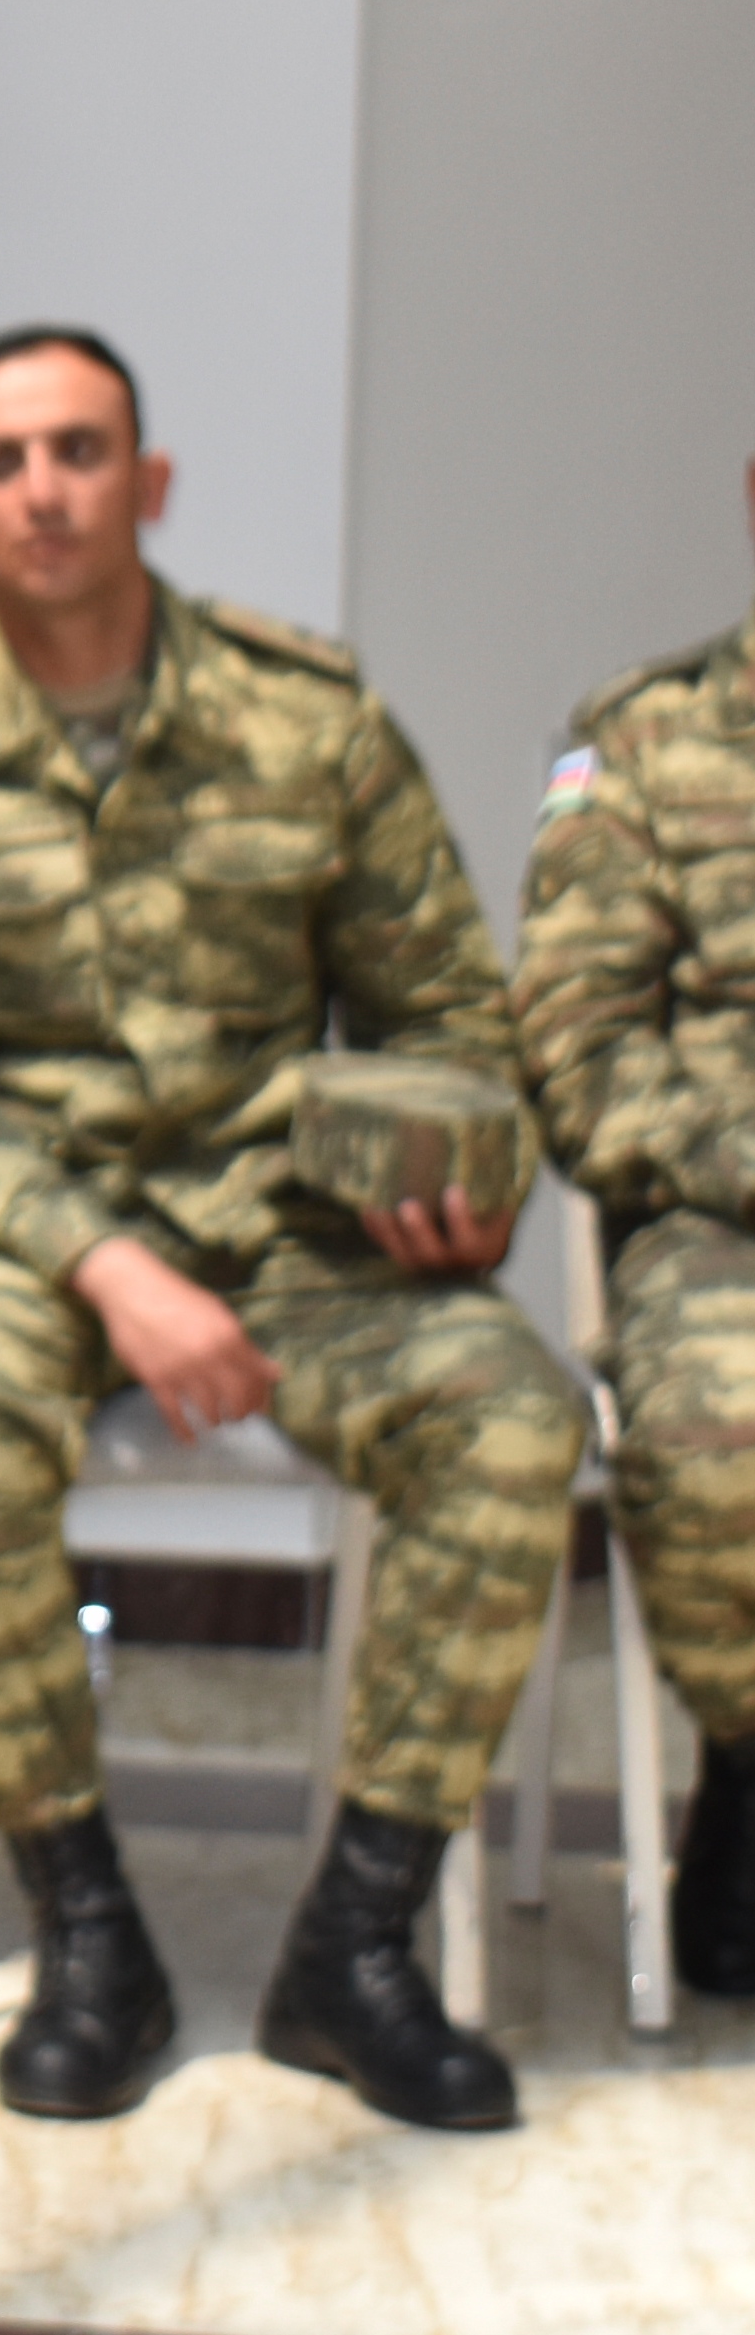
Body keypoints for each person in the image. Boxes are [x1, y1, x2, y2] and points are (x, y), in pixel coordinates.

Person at [0, 323, 573, 2131]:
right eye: (0, 463)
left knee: (510, 1412)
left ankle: (355, 1945)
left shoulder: (310, 719)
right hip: (3, 1241)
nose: (43, 491)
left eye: (79, 450)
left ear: (147, 482)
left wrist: (451, 1183)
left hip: (287, 1228)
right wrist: (114, 1271)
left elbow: (449, 1015)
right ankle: (88, 1935)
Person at [512, 450, 755, 1994]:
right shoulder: (648, 739)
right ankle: (748, 1770)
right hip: (718, 1216)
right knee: (723, 1418)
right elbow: (579, 1052)